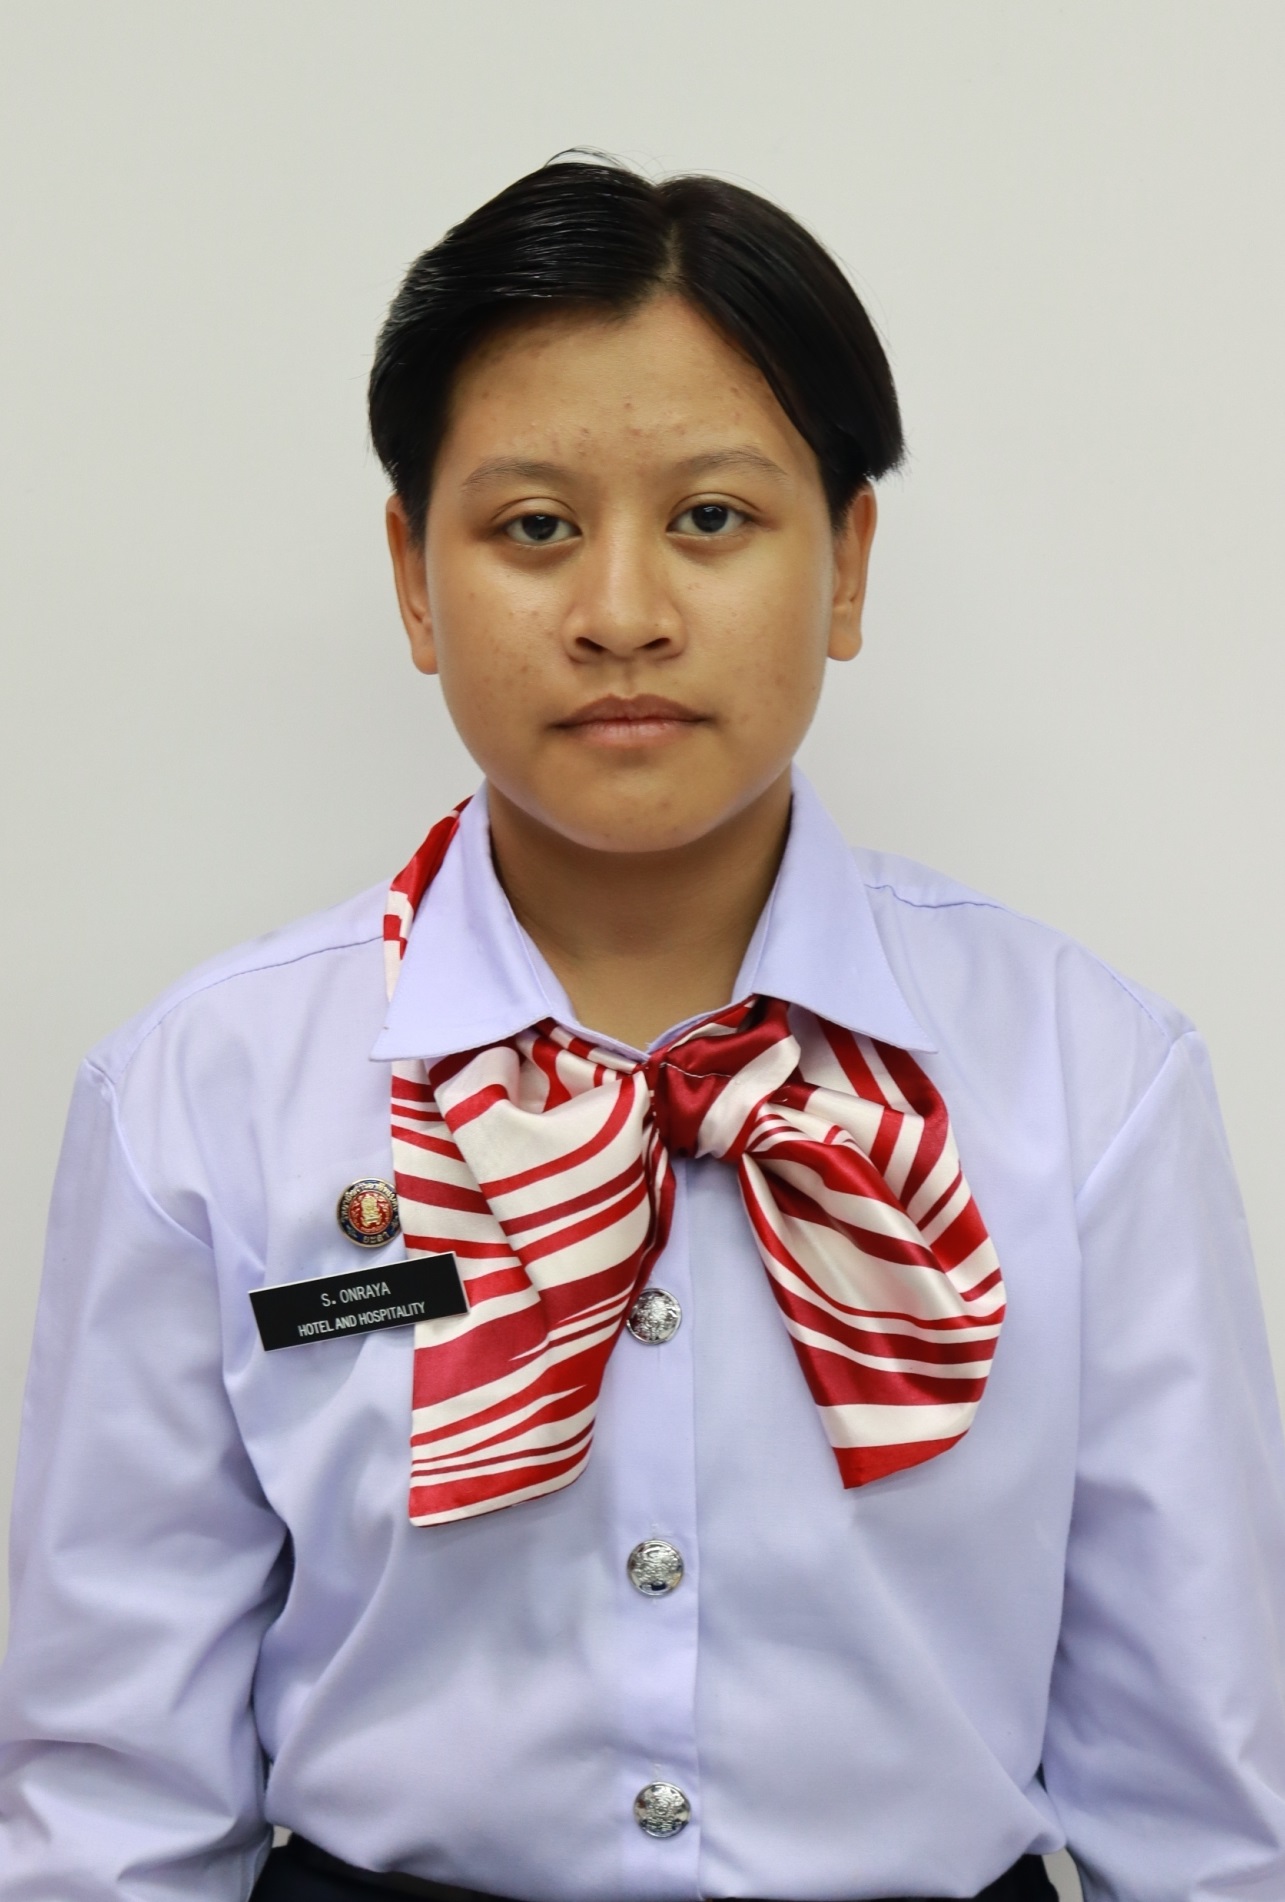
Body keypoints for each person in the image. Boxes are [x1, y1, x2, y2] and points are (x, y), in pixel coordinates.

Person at [1, 158, 1283, 1902]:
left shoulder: (1089, 1078)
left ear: (845, 564)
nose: (620, 612)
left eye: (711, 518)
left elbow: (1197, 1810)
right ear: (412, 576)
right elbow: (111, 1807)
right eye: (533, 526)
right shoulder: (202, 1100)